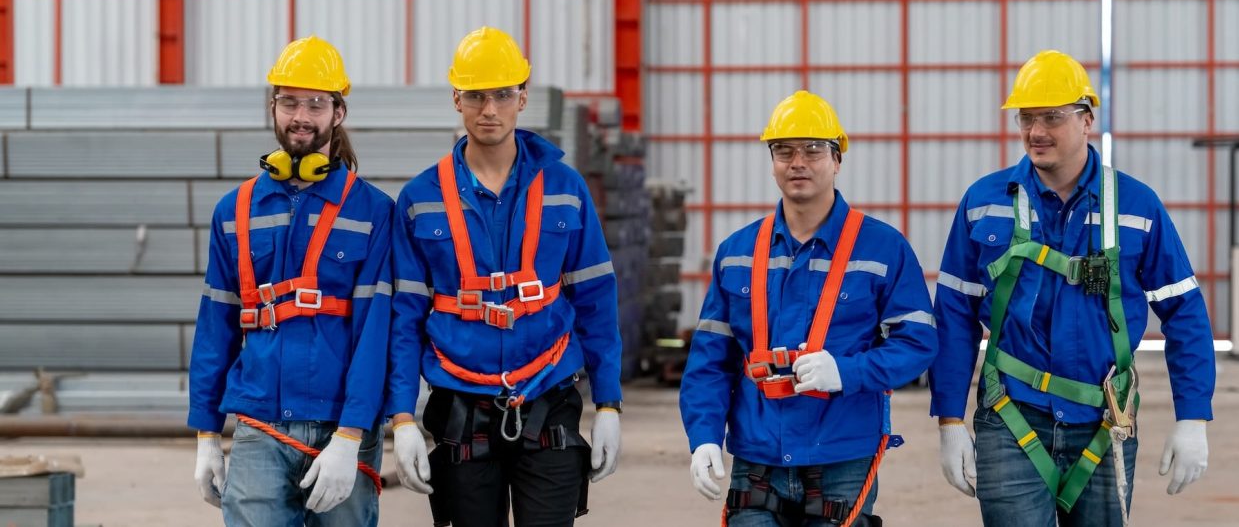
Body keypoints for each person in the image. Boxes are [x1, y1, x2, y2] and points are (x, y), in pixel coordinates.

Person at [929, 50, 1215, 526]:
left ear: (1087, 121)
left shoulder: (1136, 207)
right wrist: (950, 420)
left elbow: (1183, 311)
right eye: (1027, 118)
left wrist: (1193, 416)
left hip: (1104, 422)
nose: (1036, 132)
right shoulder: (984, 204)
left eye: (1053, 118)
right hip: (1011, 415)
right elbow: (955, 316)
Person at [387, 26, 623, 527]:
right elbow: (403, 317)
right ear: (456, 99)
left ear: (522, 97)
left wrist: (608, 403)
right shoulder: (420, 199)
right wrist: (402, 416)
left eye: (500, 94)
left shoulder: (565, 188)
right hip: (459, 407)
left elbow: (596, 300)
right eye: (475, 95)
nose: (488, 109)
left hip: (548, 397)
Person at [679, 90, 939, 526]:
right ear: (772, 160)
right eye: (784, 150)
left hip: (842, 457)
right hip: (757, 457)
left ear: (837, 160)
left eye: (813, 150)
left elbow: (917, 344)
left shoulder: (882, 249)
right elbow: (710, 360)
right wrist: (704, 436)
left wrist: (847, 372)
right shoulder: (738, 253)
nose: (797, 161)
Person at [188, 35, 397, 526]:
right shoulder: (234, 212)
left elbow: (377, 334)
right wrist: (205, 435)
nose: (301, 115)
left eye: (316, 103)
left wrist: (351, 435)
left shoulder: (373, 212)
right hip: (260, 425)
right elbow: (215, 327)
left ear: (338, 113)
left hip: (342, 424)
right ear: (272, 106)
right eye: (289, 102)